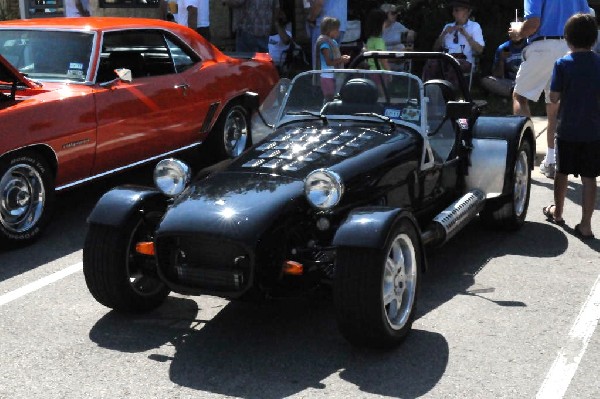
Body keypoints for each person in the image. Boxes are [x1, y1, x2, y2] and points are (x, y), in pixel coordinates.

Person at [509, 0, 590, 179]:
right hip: (570, 48)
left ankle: (525, 155)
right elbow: (588, 19)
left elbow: (533, 24)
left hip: (543, 47)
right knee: (554, 106)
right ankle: (552, 160)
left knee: (519, 96)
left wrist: (517, 33)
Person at [542, 13, 600, 239]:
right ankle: (586, 224)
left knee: (562, 172)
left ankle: (558, 213)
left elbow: (554, 97)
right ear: (594, 38)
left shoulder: (562, 64)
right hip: (593, 130)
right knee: (589, 178)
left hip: (567, 129)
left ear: (567, 38)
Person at [422, 0, 484, 89]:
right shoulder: (448, 26)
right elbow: (435, 48)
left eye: (457, 10)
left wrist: (465, 34)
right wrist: (444, 34)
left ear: (467, 12)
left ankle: (449, 95)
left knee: (454, 65)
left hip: (464, 60)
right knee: (432, 63)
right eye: (453, 10)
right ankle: (427, 92)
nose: (454, 13)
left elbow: (480, 49)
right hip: (446, 57)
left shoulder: (475, 26)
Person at [480, 26, 525, 98]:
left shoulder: (530, 46)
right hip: (510, 83)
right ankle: (517, 93)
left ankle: (517, 94)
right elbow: (498, 75)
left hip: (527, 81)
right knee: (486, 81)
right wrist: (501, 60)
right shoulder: (504, 48)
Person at [315, 16, 350, 101]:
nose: (338, 32)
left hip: (334, 75)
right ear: (329, 31)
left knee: (335, 97)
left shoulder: (333, 42)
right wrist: (341, 59)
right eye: (336, 30)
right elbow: (328, 62)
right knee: (329, 98)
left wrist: (341, 59)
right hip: (327, 76)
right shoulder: (324, 44)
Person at [307, 0, 348, 70]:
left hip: (325, 25)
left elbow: (319, 3)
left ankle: (320, 80)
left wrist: (311, 18)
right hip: (340, 24)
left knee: (320, 64)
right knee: (334, 61)